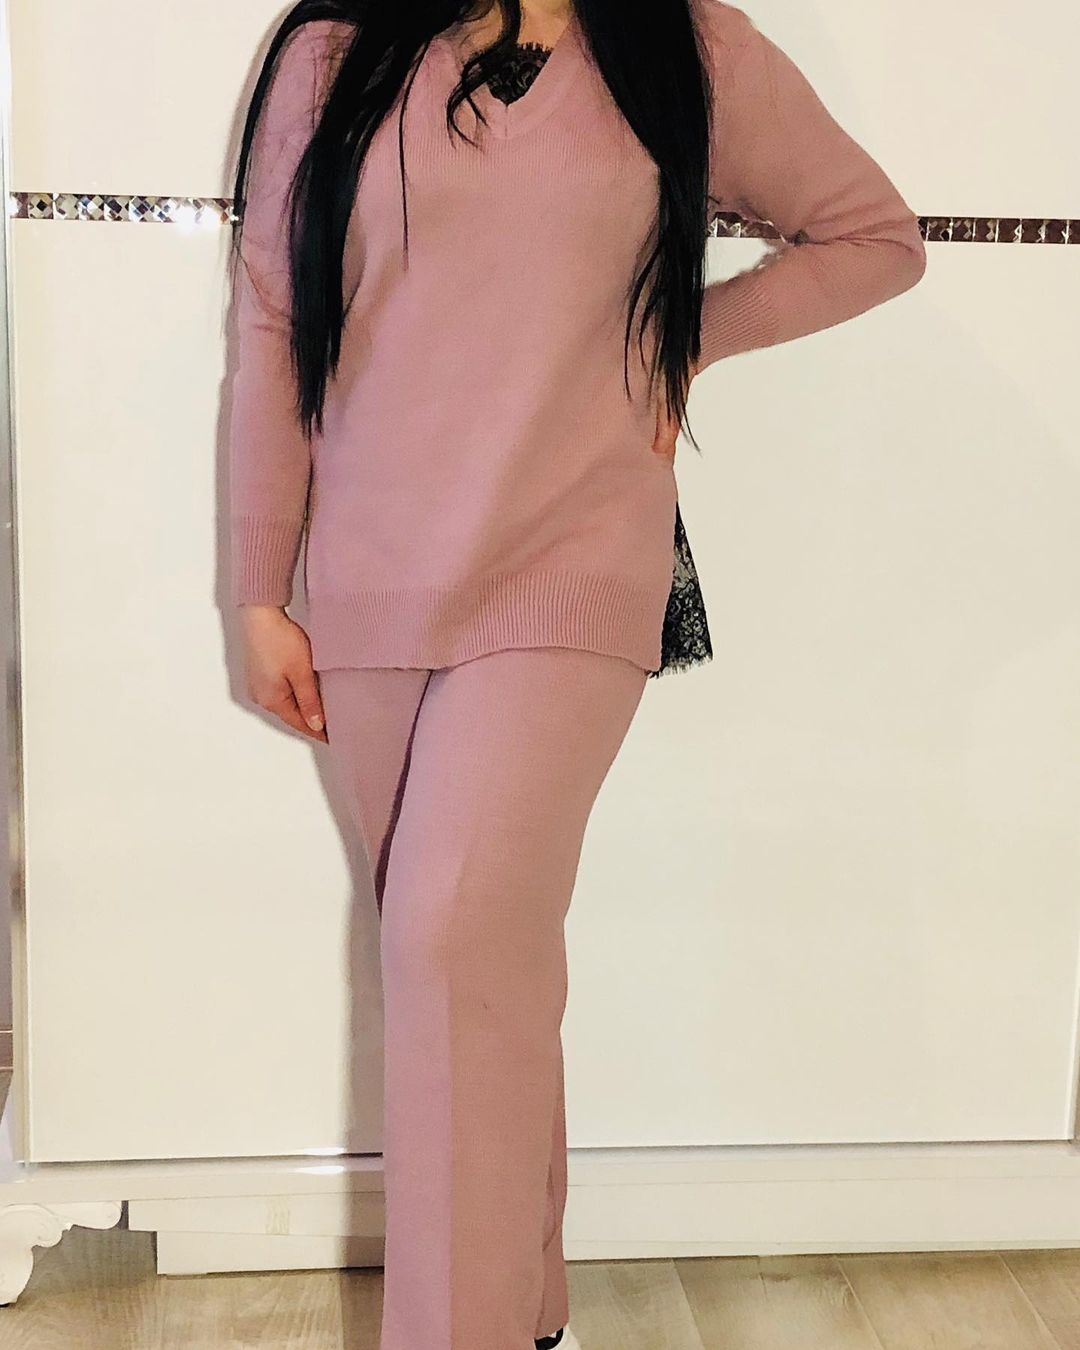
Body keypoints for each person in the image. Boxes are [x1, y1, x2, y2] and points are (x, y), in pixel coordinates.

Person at [225, 2, 927, 1346]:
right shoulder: (332, 54)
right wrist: (260, 587)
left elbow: (872, 236)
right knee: (478, 965)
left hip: (573, 565)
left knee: (445, 935)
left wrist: (684, 335)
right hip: (371, 581)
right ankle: (531, 1309)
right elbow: (271, 321)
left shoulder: (688, 50)